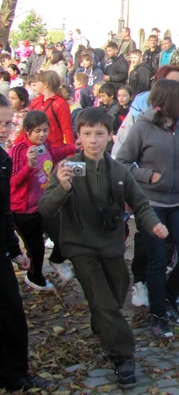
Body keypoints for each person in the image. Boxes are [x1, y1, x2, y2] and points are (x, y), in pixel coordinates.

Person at [39, 107, 167, 389]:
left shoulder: (119, 171)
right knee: (105, 303)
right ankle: (123, 355)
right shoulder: (66, 168)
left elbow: (140, 204)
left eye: (99, 134)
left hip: (112, 247)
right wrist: (62, 187)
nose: (93, 140)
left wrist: (154, 224)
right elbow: (46, 208)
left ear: (110, 136)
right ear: (79, 138)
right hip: (80, 247)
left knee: (116, 294)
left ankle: (103, 324)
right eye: (87, 134)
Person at [116, 79, 179, 339]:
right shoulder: (142, 127)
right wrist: (148, 176)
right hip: (152, 206)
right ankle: (158, 315)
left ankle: (168, 298)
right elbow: (122, 162)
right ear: (168, 101)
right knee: (157, 262)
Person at [0, 95, 49, 392]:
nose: (3, 129)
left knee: (11, 312)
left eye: (6, 123)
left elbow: (4, 210)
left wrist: (16, 250)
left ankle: (14, 374)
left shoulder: (3, 160)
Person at [10, 110, 76, 290]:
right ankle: (35, 277)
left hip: (45, 204)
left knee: (64, 235)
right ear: (27, 130)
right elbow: (13, 182)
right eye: (37, 131)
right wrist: (29, 166)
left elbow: (55, 152)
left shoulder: (45, 145)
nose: (42, 134)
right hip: (24, 210)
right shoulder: (18, 150)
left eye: (45, 130)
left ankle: (57, 260)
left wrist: (74, 147)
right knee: (36, 248)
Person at [28, 71, 74, 147]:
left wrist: (70, 151)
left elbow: (67, 129)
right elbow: (27, 126)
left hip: (54, 148)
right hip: (35, 147)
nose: (36, 84)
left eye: (38, 82)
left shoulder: (60, 104)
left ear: (46, 84)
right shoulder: (35, 102)